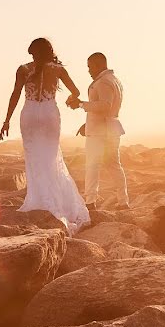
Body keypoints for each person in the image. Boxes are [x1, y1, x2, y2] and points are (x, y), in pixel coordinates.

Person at [0, 38, 91, 234]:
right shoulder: (58, 70)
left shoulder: (24, 69)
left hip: (30, 113)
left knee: (34, 160)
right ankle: (57, 202)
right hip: (49, 113)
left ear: (32, 52)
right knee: (50, 159)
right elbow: (75, 91)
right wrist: (70, 98)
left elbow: (15, 94)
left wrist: (6, 120)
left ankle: (39, 200)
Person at [68, 52, 129, 209]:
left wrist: (81, 104)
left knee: (92, 165)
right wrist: (86, 124)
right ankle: (123, 201)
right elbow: (107, 109)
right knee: (114, 165)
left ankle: (90, 202)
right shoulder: (114, 80)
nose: (89, 70)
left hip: (100, 132)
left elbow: (104, 105)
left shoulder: (103, 82)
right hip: (111, 128)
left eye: (90, 66)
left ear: (98, 64)